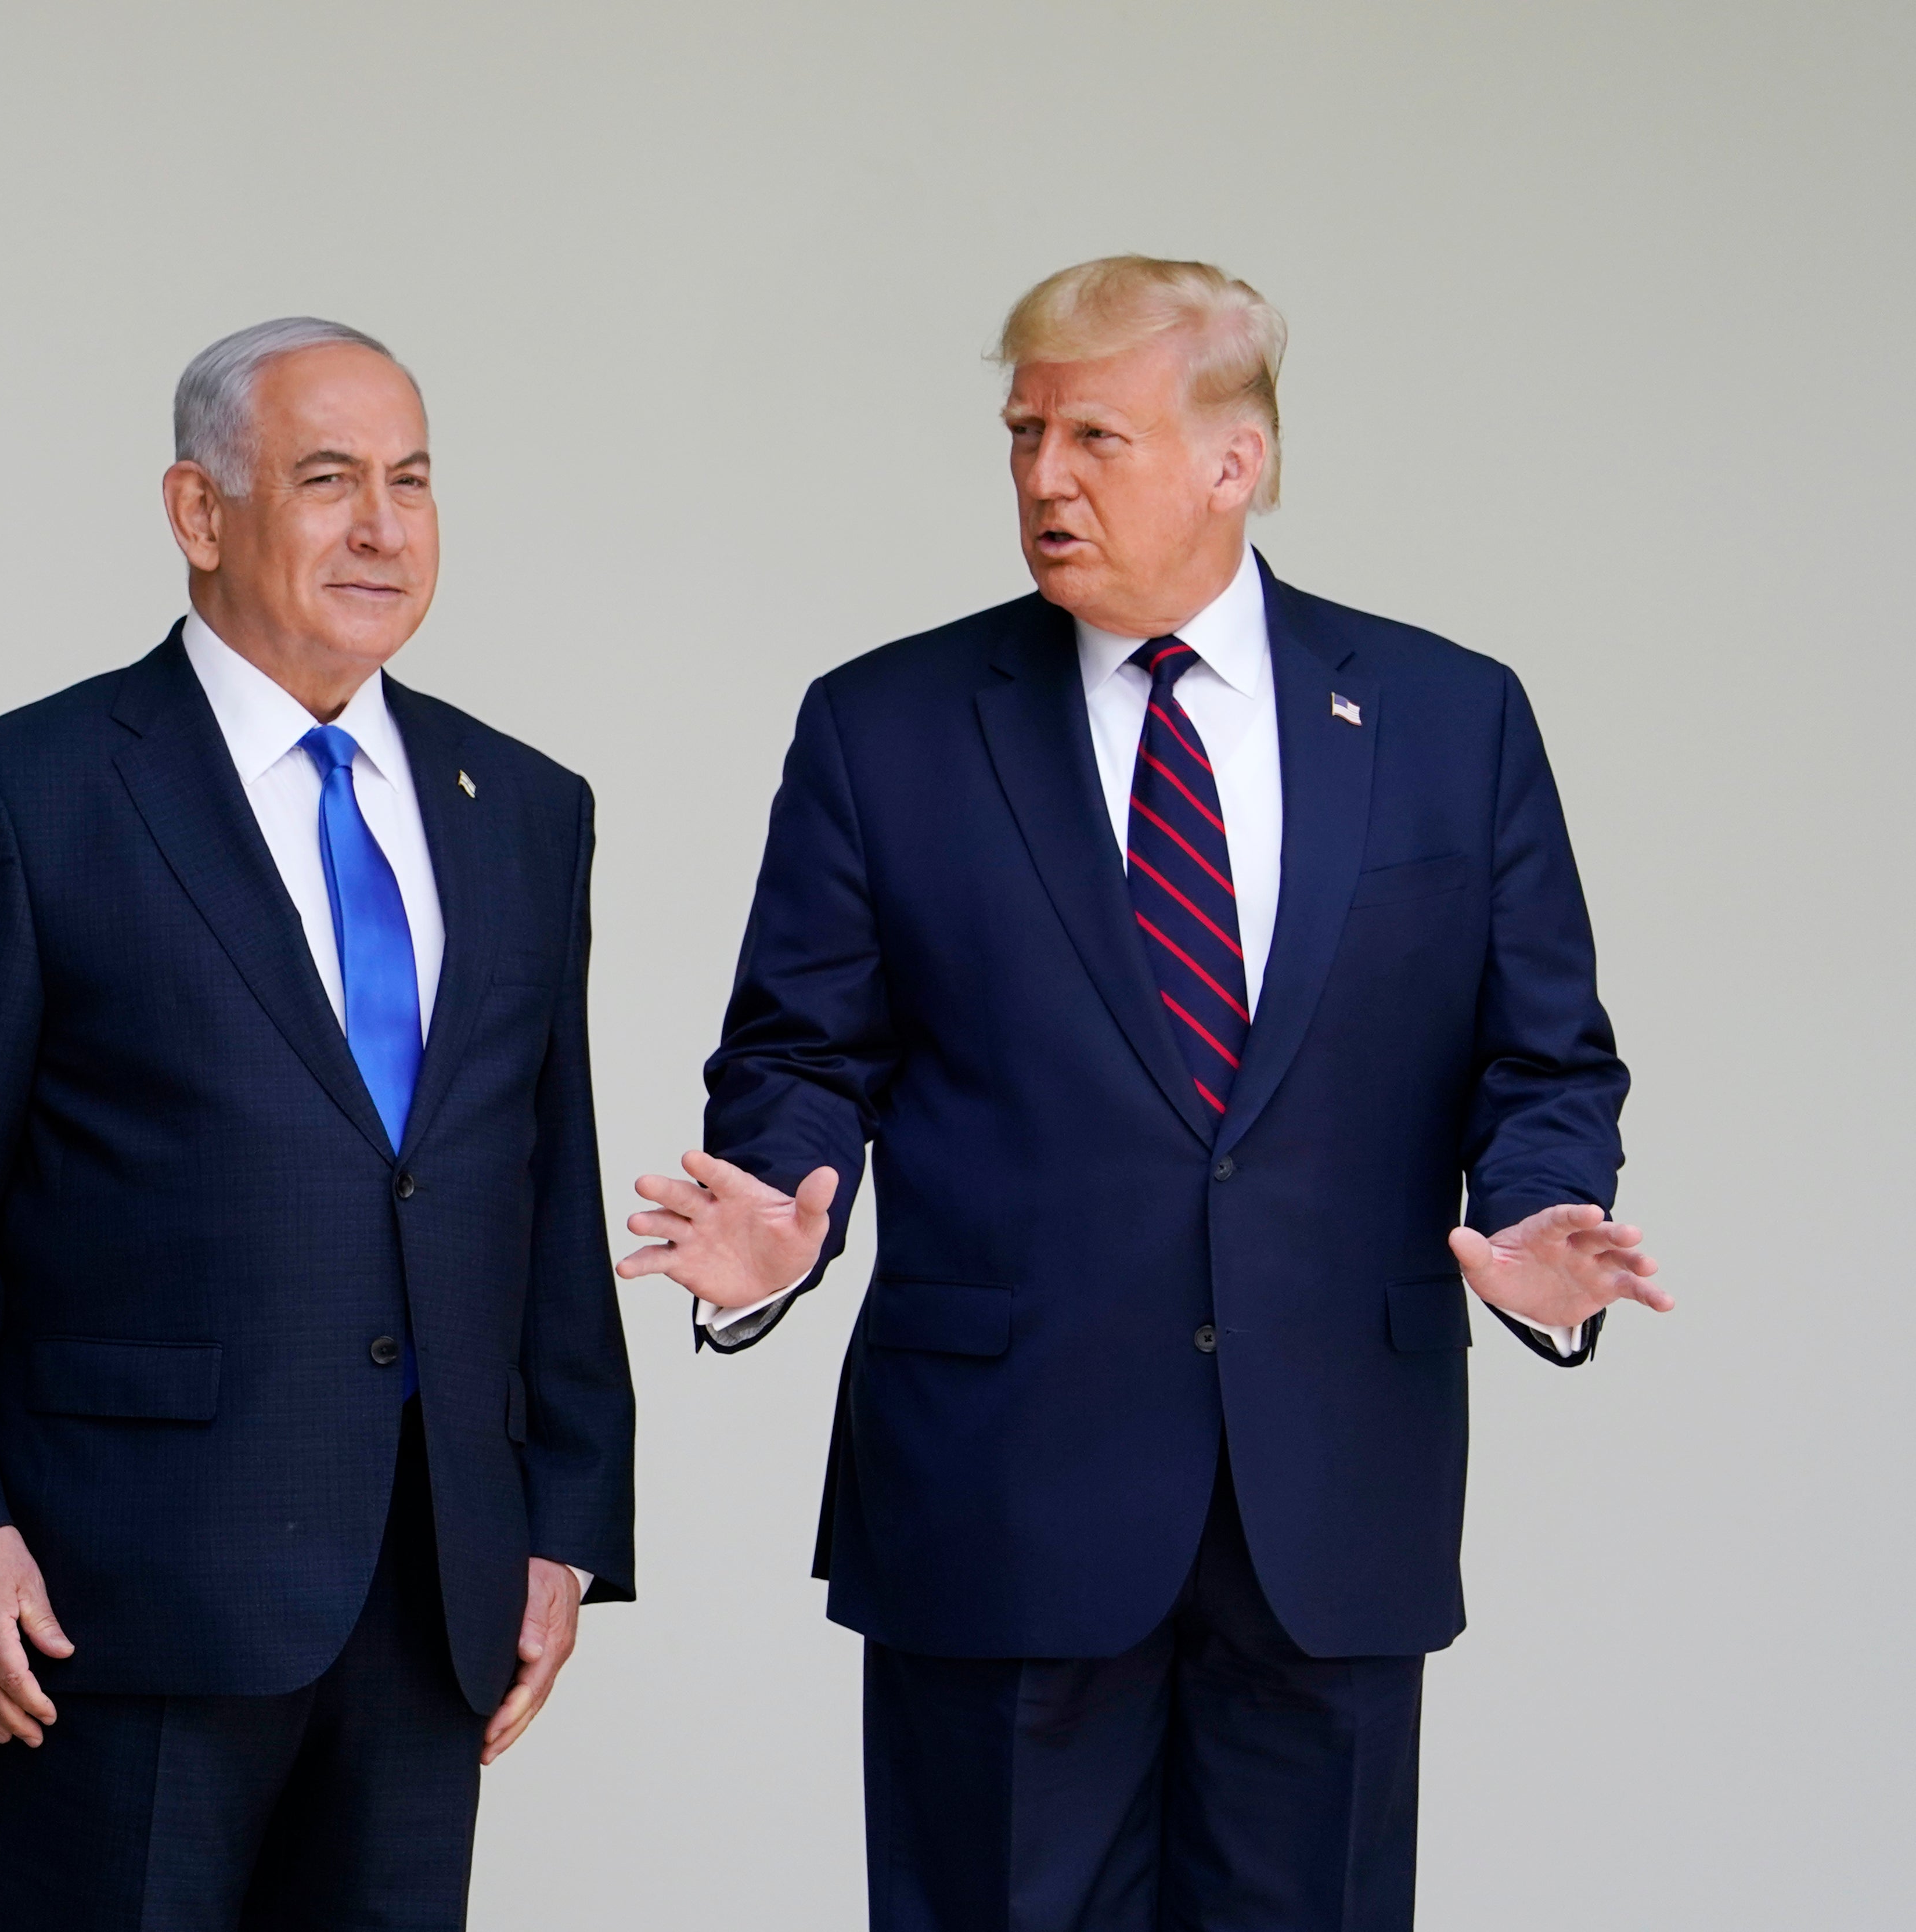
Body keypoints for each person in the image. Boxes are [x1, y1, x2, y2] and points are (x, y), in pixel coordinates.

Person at [617, 256, 1670, 1931]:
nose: (1043, 478)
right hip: (999, 1490)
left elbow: (1543, 1056)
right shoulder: (885, 727)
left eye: (1095, 436)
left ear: (1231, 461)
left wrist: (1541, 1206)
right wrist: (775, 1214)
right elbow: (801, 1056)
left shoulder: (1448, 721)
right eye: (1026, 433)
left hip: (1329, 1493)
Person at [0, 316, 636, 1929]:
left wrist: (564, 1521)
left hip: (435, 1579)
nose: (384, 526)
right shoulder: (26, 796)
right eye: (328, 481)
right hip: (121, 1591)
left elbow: (543, 1179)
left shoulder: (523, 808)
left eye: (412, 482)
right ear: (199, 511)